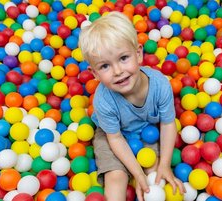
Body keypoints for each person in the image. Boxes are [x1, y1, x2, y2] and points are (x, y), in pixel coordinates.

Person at [78, 11, 185, 201]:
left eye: (123, 58)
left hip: (146, 130)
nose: (118, 71)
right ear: (94, 73)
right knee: (116, 177)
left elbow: (168, 124)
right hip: (112, 135)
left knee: (155, 172)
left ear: (138, 54)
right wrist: (136, 173)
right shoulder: (103, 101)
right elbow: (116, 138)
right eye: (105, 66)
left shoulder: (160, 85)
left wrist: (165, 165)